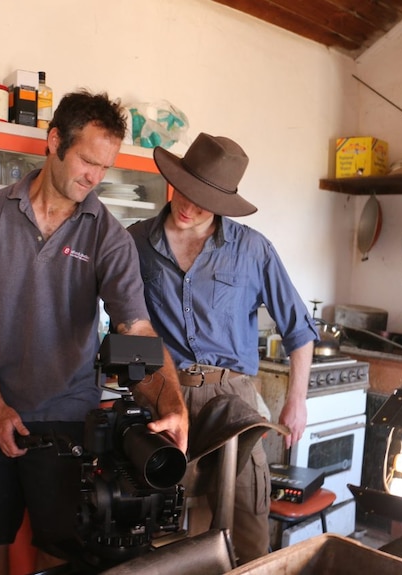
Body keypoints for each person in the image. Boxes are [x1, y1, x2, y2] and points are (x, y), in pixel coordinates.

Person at [0, 90, 189, 574]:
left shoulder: (108, 237)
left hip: (67, 419)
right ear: (54, 141)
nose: (94, 177)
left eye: (105, 167)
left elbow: (133, 328)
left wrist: (172, 403)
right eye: (86, 160)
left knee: (58, 551)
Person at [127, 132, 317, 563]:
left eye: (204, 200)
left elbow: (298, 329)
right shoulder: (136, 242)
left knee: (246, 525)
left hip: (232, 401)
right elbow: (122, 322)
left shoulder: (252, 250)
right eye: (186, 192)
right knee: (162, 535)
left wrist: (297, 400)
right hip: (161, 395)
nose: (189, 206)